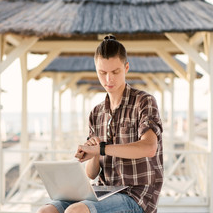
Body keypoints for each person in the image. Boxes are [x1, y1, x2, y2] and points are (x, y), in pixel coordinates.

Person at [37, 35, 163, 213]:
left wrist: (102, 148)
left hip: (136, 195)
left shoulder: (144, 102)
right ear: (96, 69)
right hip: (103, 192)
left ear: (126, 67)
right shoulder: (97, 113)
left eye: (115, 72)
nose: (108, 79)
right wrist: (93, 153)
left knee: (76, 211)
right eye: (102, 73)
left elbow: (149, 147)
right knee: (46, 211)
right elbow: (91, 174)